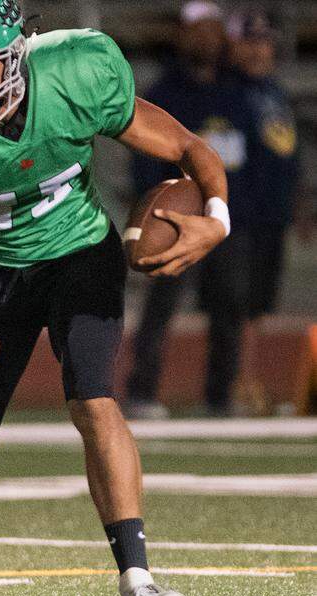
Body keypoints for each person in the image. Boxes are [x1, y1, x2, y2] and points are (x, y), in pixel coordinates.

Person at [0, 1, 230, 596]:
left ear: (15, 52)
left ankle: (138, 585)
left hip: (81, 252)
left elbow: (187, 146)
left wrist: (217, 218)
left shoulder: (76, 70)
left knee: (96, 401)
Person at [124, 1, 257, 419]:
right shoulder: (164, 92)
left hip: (223, 215)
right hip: (177, 217)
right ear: (182, 36)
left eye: (214, 29)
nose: (207, 38)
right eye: (198, 29)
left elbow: (253, 156)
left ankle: (221, 395)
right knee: (161, 305)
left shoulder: (239, 90)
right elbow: (143, 155)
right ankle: (142, 392)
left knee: (231, 307)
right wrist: (156, 202)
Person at [227, 5, 308, 415]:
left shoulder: (274, 92)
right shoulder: (228, 91)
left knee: (259, 304)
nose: (260, 51)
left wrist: (299, 205)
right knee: (237, 305)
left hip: (271, 216)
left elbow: (288, 155)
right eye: (251, 41)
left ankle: (249, 383)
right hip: (240, 215)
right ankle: (237, 386)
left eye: (264, 42)